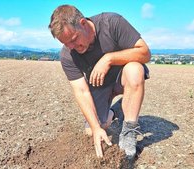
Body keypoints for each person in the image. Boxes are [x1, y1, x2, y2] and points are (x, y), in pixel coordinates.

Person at [49, 4, 151, 159]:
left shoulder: (112, 23)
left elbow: (145, 53)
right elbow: (81, 91)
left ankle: (129, 130)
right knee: (91, 131)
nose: (72, 47)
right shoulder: (68, 55)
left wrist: (109, 59)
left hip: (122, 79)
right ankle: (117, 110)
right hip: (98, 87)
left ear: (83, 23)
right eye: (66, 43)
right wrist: (96, 127)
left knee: (135, 69)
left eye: (74, 39)